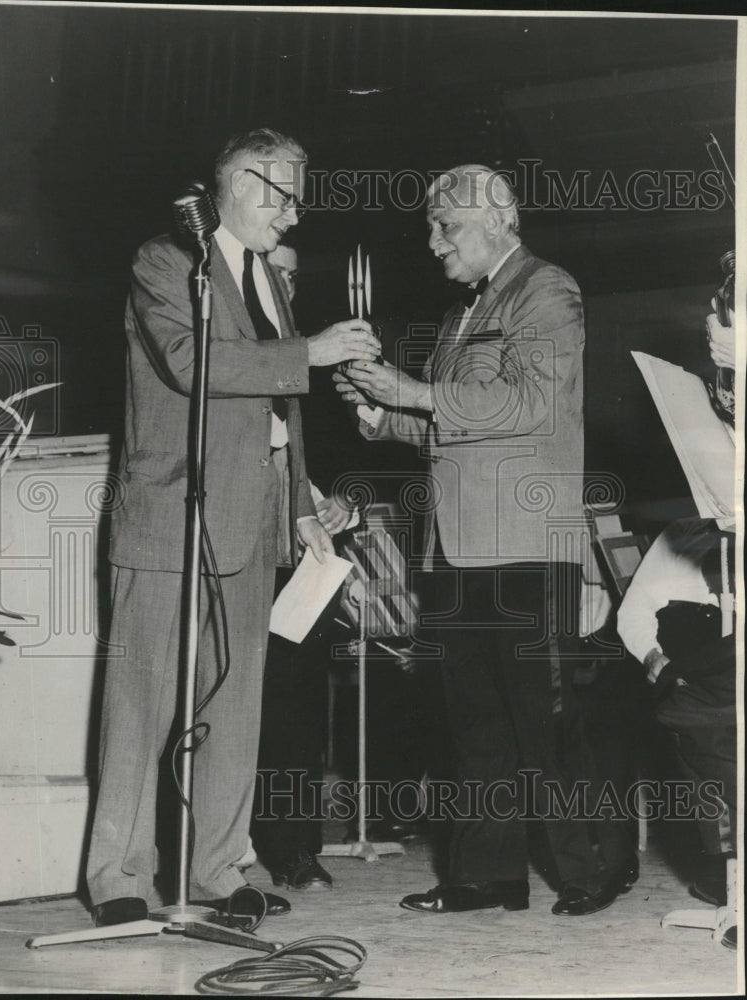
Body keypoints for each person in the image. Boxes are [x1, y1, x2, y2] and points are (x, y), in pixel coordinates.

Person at [86, 128, 380, 927]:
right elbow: (192, 364)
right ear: (240, 182)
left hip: (251, 523)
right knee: (140, 704)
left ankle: (221, 865)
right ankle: (117, 876)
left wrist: (297, 512)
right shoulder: (166, 262)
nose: (292, 216)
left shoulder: (267, 282)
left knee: (236, 705)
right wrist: (309, 352)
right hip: (168, 514)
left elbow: (280, 415)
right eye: (283, 196)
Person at [335, 164, 636, 916]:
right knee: (473, 725)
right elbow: (445, 426)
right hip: (454, 545)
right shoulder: (457, 315)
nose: (434, 242)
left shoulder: (545, 290)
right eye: (431, 228)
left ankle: (593, 867)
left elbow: (530, 401)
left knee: (546, 719)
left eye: (447, 226)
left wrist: (412, 392)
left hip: (526, 541)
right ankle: (483, 875)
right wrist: (378, 412)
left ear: (498, 218)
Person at [248, 242, 353, 891]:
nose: (284, 286)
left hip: (299, 561)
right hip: (225, 546)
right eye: (271, 271)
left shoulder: (313, 357)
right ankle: (217, 846)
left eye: (291, 274)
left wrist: (346, 502)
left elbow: (351, 465)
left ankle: (291, 847)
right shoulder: (216, 342)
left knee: (294, 707)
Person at [616, 516, 736, 948]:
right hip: (688, 676)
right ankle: (734, 887)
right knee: (713, 742)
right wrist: (654, 659)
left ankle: (732, 886)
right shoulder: (680, 534)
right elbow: (633, 611)